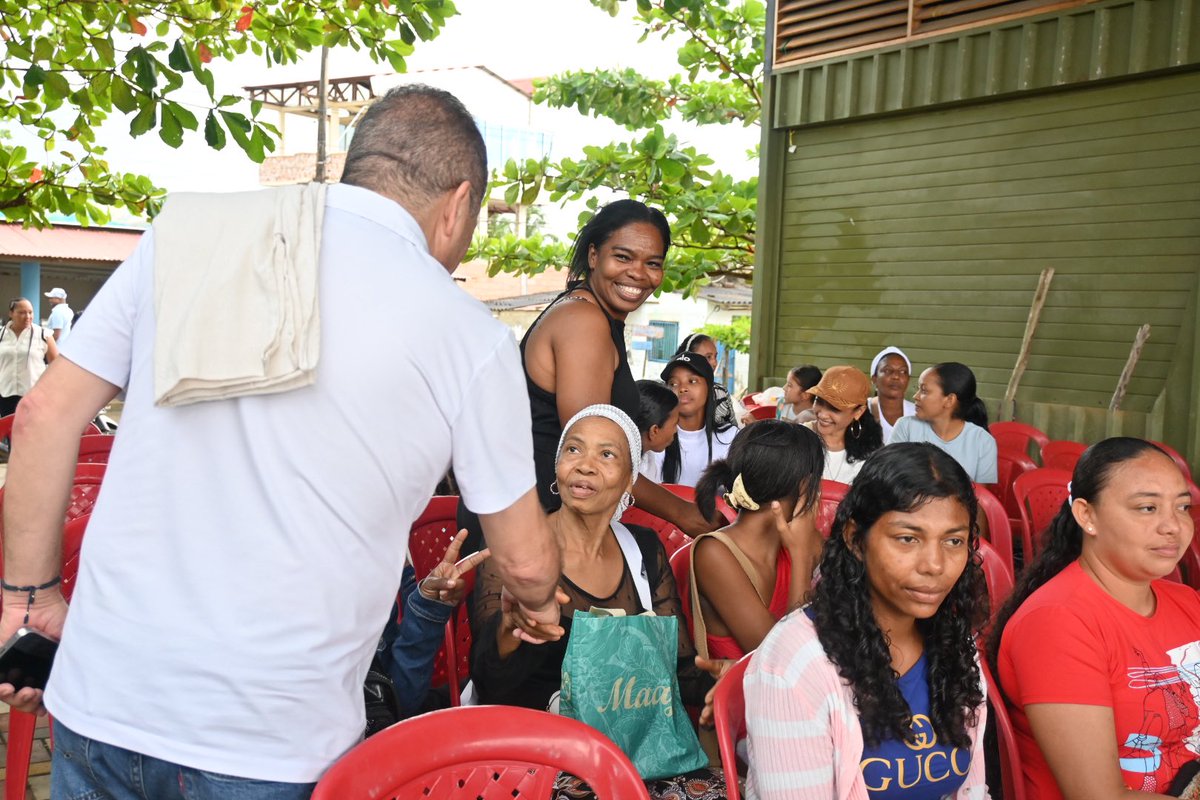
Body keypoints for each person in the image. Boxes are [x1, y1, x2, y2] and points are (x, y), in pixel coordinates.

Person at [0, 85, 563, 799]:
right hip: (268, 741)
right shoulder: (468, 333)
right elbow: (523, 560)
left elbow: (45, 415)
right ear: (457, 204)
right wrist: (534, 601)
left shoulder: (186, 240)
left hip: (100, 702)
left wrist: (29, 600)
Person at [469, 405, 725, 798]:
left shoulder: (643, 550)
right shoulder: (518, 548)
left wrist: (721, 680)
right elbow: (490, 685)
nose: (586, 465)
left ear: (630, 481)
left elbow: (675, 668)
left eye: (607, 454)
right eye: (574, 450)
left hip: (635, 753)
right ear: (558, 466)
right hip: (539, 760)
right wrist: (511, 629)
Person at [743, 443, 991, 799]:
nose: (934, 565)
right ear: (856, 540)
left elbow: (971, 788)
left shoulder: (955, 646)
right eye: (908, 538)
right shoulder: (796, 663)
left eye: (953, 541)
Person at [472, 200, 714, 542]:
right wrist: (681, 512)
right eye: (623, 257)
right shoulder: (584, 322)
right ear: (593, 256)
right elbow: (593, 454)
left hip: (538, 511)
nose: (639, 273)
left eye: (653, 263)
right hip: (529, 525)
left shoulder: (597, 317)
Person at [990, 438, 1199, 800]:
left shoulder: (1186, 602)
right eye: (1147, 508)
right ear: (1087, 515)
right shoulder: (1056, 623)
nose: (1173, 526)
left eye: (1182, 507)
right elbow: (1098, 795)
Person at [690, 420, 825, 660]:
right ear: (805, 487)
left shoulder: (805, 540)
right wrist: (801, 555)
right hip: (747, 693)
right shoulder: (714, 554)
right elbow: (783, 661)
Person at [891, 362, 998, 483]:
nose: (916, 396)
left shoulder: (983, 442)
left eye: (924, 391)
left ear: (949, 400)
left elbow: (981, 498)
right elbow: (888, 476)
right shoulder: (906, 427)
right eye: (918, 389)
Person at [655, 351, 738, 487]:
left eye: (692, 381)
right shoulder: (655, 439)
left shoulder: (731, 438)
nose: (682, 389)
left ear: (709, 388)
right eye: (673, 384)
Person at [804, 365, 883, 485]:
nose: (823, 414)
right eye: (819, 401)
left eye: (834, 409)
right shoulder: (798, 439)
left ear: (859, 412)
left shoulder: (870, 453)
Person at [0, 297, 58, 417]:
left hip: (33, 395)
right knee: (9, 432)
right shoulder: (1, 335)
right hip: (5, 394)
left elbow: (57, 367)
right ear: (11, 313)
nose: (27, 316)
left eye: (30, 312)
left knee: (31, 432)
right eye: (21, 312)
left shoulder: (43, 335)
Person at [675, 332, 743, 430]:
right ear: (687, 357)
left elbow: (732, 431)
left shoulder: (720, 393)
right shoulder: (668, 390)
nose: (714, 363)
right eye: (708, 357)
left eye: (715, 356)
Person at [634, 378, 679, 484]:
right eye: (675, 424)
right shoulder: (625, 470)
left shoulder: (648, 458)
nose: (676, 430)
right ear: (654, 431)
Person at [868, 346, 915, 444]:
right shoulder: (861, 410)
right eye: (887, 371)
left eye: (903, 371)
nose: (896, 376)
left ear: (908, 380)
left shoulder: (916, 414)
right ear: (874, 379)